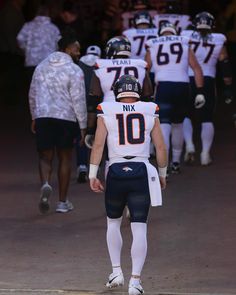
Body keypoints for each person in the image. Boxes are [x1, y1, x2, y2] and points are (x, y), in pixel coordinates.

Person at [89, 74, 168, 295]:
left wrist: (92, 174)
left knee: (113, 223)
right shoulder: (150, 109)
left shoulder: (107, 109)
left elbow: (98, 144)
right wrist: (162, 173)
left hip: (115, 170)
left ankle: (116, 271)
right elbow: (160, 147)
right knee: (139, 226)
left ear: (117, 92)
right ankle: (135, 281)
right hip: (141, 170)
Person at [29, 34, 87, 214]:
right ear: (67, 49)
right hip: (66, 118)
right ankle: (62, 202)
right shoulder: (74, 70)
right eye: (76, 49)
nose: (79, 53)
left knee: (45, 157)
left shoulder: (41, 66)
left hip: (43, 115)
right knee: (65, 158)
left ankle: (46, 184)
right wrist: (83, 125)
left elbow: (32, 92)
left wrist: (34, 115)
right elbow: (78, 100)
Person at [145, 21, 204, 173]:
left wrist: (144, 92)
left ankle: (163, 166)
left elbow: (145, 69)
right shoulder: (183, 42)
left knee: (163, 125)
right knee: (178, 124)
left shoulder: (153, 43)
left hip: (163, 86)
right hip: (182, 87)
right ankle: (176, 162)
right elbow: (196, 68)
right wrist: (200, 91)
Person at [181, 12, 234, 165]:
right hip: (208, 80)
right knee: (207, 118)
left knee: (186, 115)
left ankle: (190, 145)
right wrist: (228, 87)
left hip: (189, 79)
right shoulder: (218, 39)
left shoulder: (186, 35)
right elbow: (224, 65)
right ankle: (205, 154)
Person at [86, 35, 153, 149]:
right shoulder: (140, 65)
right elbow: (147, 95)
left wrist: (91, 129)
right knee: (133, 146)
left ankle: (109, 166)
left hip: (109, 109)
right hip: (135, 109)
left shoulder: (101, 65)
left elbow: (94, 98)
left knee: (110, 147)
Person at [17, 4, 60, 97]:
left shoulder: (28, 26)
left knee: (34, 89)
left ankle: (35, 108)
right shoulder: (53, 28)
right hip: (48, 63)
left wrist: (26, 50)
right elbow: (59, 43)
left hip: (31, 62)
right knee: (48, 89)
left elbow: (19, 38)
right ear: (48, 14)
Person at [75, 45, 101, 183]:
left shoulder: (79, 64)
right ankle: (98, 166)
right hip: (99, 103)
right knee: (100, 135)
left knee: (82, 133)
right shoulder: (103, 63)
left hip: (82, 102)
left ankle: (82, 165)